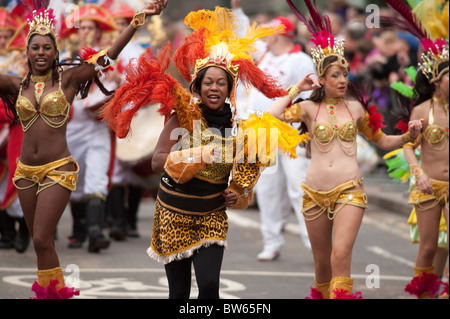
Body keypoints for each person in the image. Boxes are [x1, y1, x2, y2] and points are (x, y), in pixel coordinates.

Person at [100, 7, 303, 299]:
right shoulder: (182, 117)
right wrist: (195, 157)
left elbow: (244, 180)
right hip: (174, 213)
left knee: (209, 289)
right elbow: (157, 161)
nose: (214, 88)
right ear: (198, 86)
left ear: (229, 89)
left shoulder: (238, 127)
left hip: (211, 216)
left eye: (221, 83)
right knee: (179, 294)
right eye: (208, 82)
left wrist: (237, 193)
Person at [0, 0, 167, 299]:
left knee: (41, 237)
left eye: (46, 48)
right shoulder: (15, 85)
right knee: (41, 244)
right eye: (34, 47)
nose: (40, 52)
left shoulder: (69, 80)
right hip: (24, 172)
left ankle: (55, 294)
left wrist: (139, 19)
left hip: (57, 170)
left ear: (55, 52)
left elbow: (110, 55)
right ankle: (48, 293)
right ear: (26, 52)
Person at [269, 0, 422, 299]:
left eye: (345, 74)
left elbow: (384, 141)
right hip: (314, 193)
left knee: (341, 256)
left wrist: (409, 137)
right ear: (322, 79)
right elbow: (274, 115)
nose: (342, 80)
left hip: (349, 189)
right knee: (322, 265)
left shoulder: (357, 109)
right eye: (335, 76)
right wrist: (295, 89)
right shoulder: (309, 108)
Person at [381, 0, 449, 299]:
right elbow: (409, 145)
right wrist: (417, 171)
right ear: (436, 79)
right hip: (428, 186)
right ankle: (424, 294)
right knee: (429, 246)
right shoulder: (422, 109)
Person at [245, 14, 316, 261]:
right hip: (262, 131)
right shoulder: (263, 57)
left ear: (277, 34)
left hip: (291, 131)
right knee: (266, 189)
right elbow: (242, 36)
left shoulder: (301, 60)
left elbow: (310, 98)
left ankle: (315, 245)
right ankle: (271, 242)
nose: (264, 36)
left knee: (299, 188)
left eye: (268, 32)